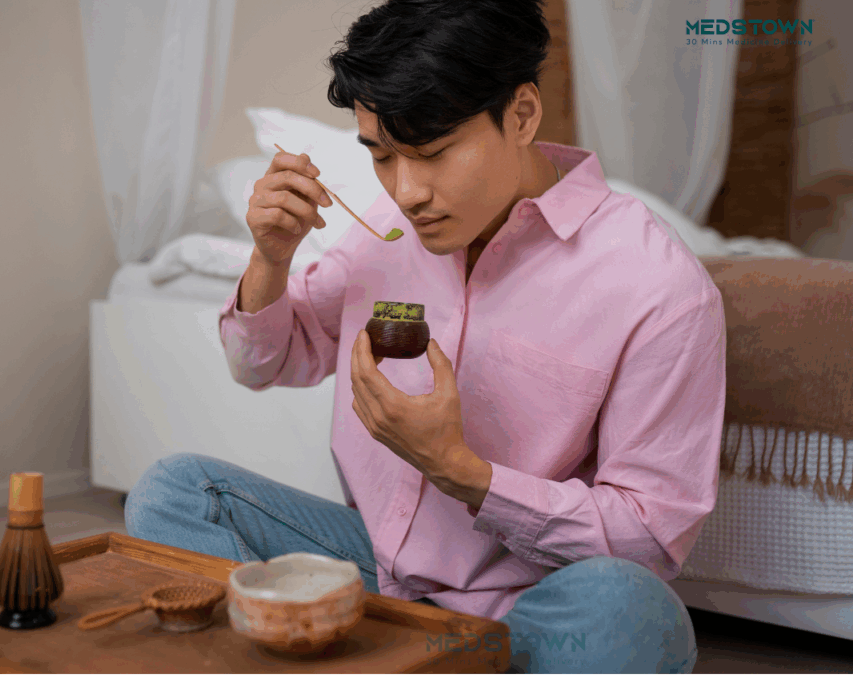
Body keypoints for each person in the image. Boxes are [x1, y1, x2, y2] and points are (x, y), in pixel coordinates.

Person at [126, 0, 725, 673]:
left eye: (433, 153)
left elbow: (649, 541)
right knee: (174, 491)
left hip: (529, 603)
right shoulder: (388, 231)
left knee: (631, 610)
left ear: (522, 115)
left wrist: (463, 472)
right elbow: (264, 362)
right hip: (377, 575)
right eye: (382, 156)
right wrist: (271, 257)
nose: (408, 192)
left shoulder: (659, 287)